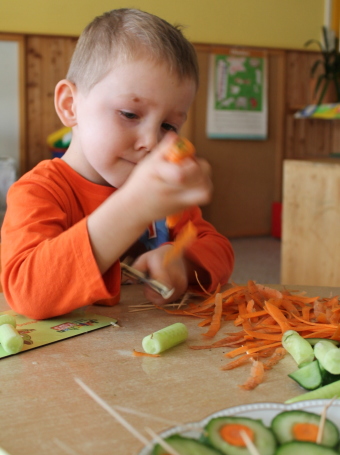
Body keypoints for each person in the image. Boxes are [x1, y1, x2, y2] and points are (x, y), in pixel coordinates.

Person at [0, 8, 234, 320]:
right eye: (129, 114)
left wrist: (183, 262)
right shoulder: (38, 191)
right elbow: (27, 293)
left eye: (169, 126)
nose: (151, 142)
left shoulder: (163, 196)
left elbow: (219, 248)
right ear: (70, 106)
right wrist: (134, 207)